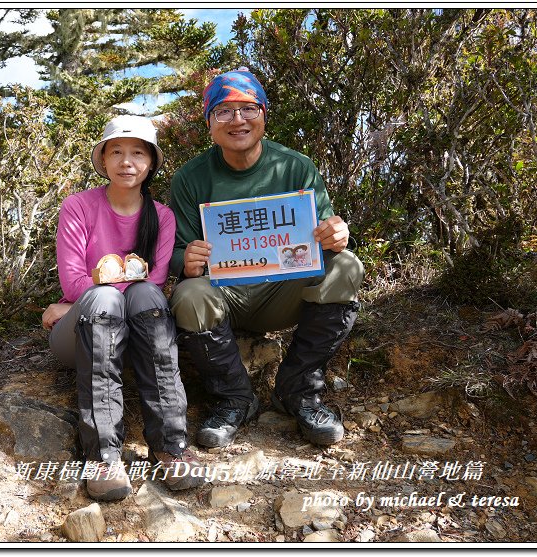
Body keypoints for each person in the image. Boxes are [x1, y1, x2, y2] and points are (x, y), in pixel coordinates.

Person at [168, 68, 365, 449]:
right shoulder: (190, 178)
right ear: (209, 122)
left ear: (264, 114)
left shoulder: (295, 167)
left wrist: (336, 235)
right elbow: (175, 251)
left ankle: (299, 391)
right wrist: (185, 260)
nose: (237, 120)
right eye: (223, 111)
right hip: (226, 297)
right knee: (190, 293)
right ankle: (234, 399)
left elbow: (325, 234)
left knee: (346, 266)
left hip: (282, 294)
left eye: (248, 109)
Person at [43, 115, 204, 501]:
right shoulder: (78, 207)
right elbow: (73, 283)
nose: (126, 162)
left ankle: (170, 444)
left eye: (137, 153)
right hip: (84, 334)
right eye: (116, 151)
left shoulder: (162, 217)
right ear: (103, 159)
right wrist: (81, 301)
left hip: (136, 330)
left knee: (147, 296)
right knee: (105, 297)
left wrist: (75, 302)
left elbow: (156, 282)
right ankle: (103, 455)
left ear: (150, 163)